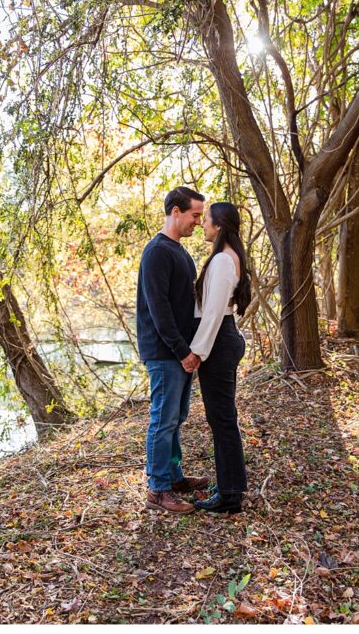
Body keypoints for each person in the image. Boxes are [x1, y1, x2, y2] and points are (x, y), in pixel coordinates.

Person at [138, 186, 210, 514]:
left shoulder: (180, 252)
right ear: (176, 212)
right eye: (195, 214)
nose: (199, 221)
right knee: (163, 420)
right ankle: (157, 489)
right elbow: (159, 310)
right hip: (165, 351)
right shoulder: (157, 252)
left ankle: (174, 476)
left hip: (181, 350)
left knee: (176, 418)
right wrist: (183, 351)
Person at [189, 202, 251, 514]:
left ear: (220, 225)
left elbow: (213, 313)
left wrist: (197, 352)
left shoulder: (225, 261)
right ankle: (228, 484)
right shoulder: (223, 258)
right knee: (220, 418)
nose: (202, 224)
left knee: (223, 419)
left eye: (207, 219)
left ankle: (230, 495)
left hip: (218, 340)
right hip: (220, 337)